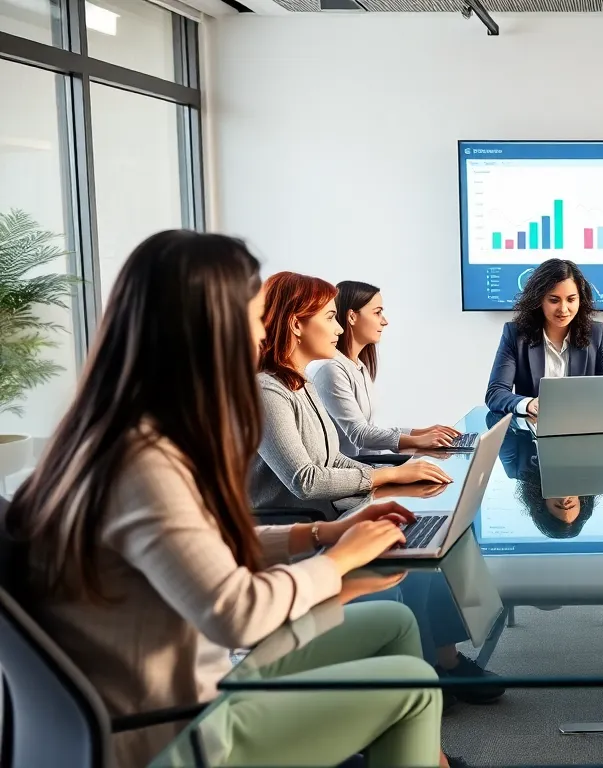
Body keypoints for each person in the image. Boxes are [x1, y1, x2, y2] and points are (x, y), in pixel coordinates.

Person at [0, 231, 455, 768]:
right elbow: (235, 614)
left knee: (393, 624)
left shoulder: (105, 437)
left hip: (196, 679)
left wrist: (321, 535)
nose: (260, 333)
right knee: (412, 682)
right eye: (254, 316)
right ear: (210, 329)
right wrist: (337, 564)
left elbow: (203, 549)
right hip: (178, 729)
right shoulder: (143, 463)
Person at [251, 272, 451, 517]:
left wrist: (386, 481)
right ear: (296, 325)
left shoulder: (302, 383)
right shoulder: (267, 392)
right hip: (302, 531)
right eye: (331, 318)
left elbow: (332, 458)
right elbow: (305, 481)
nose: (338, 328)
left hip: (331, 515)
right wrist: (388, 475)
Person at [309, 280, 461, 457]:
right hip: (354, 471)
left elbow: (369, 429)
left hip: (370, 464)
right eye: (377, 312)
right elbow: (360, 435)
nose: (385, 321)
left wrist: (423, 432)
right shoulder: (331, 369)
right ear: (352, 317)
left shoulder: (358, 366)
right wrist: (419, 441)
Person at [485, 259, 603, 416]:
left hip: (583, 428)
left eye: (571, 299)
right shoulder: (515, 334)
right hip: (534, 433)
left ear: (580, 300)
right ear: (539, 299)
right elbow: (495, 393)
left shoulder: (597, 334)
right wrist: (528, 404)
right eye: (554, 300)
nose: (563, 309)